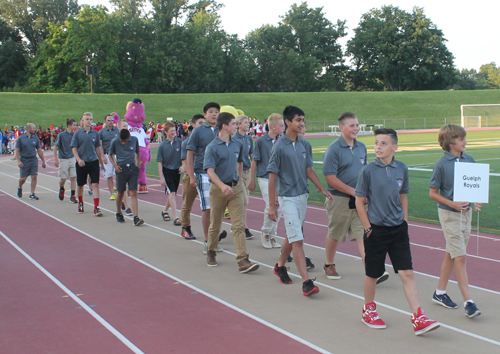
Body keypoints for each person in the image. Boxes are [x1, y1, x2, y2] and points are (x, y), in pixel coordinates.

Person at [355, 128, 440, 335]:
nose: (378, 147)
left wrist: (405, 221)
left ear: (394, 146)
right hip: (376, 230)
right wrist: (368, 228)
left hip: (398, 230)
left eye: (383, 143)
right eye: (376, 143)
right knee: (373, 274)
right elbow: (359, 201)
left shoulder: (401, 168)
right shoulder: (367, 171)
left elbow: (403, 195)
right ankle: (368, 310)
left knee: (407, 273)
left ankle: (418, 317)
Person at [268, 106, 333, 296]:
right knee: (298, 238)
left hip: (302, 195)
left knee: (292, 233)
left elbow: (309, 170)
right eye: (298, 120)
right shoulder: (279, 147)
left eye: (303, 120)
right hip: (287, 197)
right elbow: (272, 176)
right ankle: (306, 282)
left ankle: (280, 266)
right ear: (288, 122)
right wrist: (272, 205)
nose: (302, 123)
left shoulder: (305, 145)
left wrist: (321, 188)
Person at [322, 112, 389, 284]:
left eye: (357, 125)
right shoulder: (333, 150)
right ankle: (329, 264)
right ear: (341, 128)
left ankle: (373, 269)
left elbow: (364, 171)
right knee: (335, 234)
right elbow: (330, 178)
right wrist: (353, 191)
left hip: (359, 201)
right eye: (352, 125)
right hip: (339, 200)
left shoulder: (361, 147)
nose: (356, 129)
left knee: (364, 235)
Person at [429, 124, 482, 318]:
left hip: (466, 215)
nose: (465, 141)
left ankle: (439, 293)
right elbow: (433, 193)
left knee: (452, 254)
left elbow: (474, 187)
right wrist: (452, 204)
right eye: (462, 139)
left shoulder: (470, 160)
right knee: (460, 256)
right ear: (451, 143)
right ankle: (469, 302)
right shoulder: (441, 165)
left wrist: (476, 201)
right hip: (449, 215)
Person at [204, 112, 259, 273]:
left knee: (239, 225)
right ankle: (211, 251)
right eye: (234, 124)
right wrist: (221, 186)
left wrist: (240, 181)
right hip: (218, 189)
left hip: (235, 188)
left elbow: (240, 162)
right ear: (225, 126)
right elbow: (209, 170)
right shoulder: (212, 147)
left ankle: (243, 259)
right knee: (215, 224)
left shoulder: (237, 143)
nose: (236, 126)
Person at [186, 102, 225, 254]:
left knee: (218, 209)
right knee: (207, 208)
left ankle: (214, 239)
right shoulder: (198, 132)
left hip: (220, 174)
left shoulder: (222, 129)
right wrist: (191, 176)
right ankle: (207, 241)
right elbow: (190, 153)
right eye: (211, 112)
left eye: (216, 111)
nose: (214, 114)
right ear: (205, 114)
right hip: (202, 173)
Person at [249, 113, 284, 249]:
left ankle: (272, 234)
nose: (283, 128)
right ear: (273, 127)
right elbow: (255, 161)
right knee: (271, 205)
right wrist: (252, 179)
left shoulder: (282, 140)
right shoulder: (261, 141)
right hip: (265, 177)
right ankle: (265, 232)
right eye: (281, 126)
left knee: (279, 206)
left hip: (279, 179)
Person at [109, 121, 144, 226]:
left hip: (132, 168)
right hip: (121, 169)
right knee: (120, 192)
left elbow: (138, 152)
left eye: (125, 141)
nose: (123, 143)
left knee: (133, 192)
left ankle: (136, 217)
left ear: (129, 137)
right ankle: (119, 213)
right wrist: (115, 165)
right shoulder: (115, 141)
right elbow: (110, 154)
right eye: (122, 141)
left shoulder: (134, 140)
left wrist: (137, 164)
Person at [71, 112, 105, 216]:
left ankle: (96, 207)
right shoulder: (77, 134)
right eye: (87, 119)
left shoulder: (95, 133)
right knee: (80, 185)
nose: (89, 121)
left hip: (93, 161)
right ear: (82, 120)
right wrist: (78, 159)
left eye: (90, 119)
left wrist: (101, 161)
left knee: (95, 184)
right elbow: (74, 148)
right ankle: (80, 203)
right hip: (82, 162)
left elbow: (98, 148)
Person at [180, 114, 205, 240]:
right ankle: (186, 227)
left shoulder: (208, 139)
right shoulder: (186, 142)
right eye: (200, 123)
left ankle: (212, 230)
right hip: (191, 176)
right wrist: (191, 176)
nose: (203, 125)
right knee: (187, 204)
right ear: (193, 124)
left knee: (210, 204)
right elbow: (185, 161)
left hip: (205, 175)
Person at [232, 115, 255, 240]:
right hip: (238, 171)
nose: (248, 124)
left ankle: (237, 224)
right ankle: (244, 227)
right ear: (239, 125)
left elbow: (252, 156)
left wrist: (253, 172)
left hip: (247, 170)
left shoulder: (248, 139)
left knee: (245, 200)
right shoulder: (234, 139)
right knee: (243, 200)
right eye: (245, 122)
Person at [158, 122, 183, 226]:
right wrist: (161, 177)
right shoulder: (162, 145)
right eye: (171, 130)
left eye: (174, 130)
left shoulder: (180, 142)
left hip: (177, 171)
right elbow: (159, 162)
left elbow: (185, 155)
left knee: (173, 193)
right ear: (166, 132)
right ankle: (176, 216)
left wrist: (184, 166)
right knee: (172, 193)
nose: (174, 132)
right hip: (167, 170)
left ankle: (164, 210)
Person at [15, 123, 46, 200]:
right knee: (23, 178)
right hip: (24, 160)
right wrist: (18, 161)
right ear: (29, 129)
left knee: (34, 176)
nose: (35, 130)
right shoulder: (21, 138)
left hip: (33, 159)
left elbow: (39, 150)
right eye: (33, 128)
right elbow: (17, 150)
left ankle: (32, 193)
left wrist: (43, 161)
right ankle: (20, 186)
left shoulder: (35, 138)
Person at [53, 119, 78, 203]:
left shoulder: (75, 135)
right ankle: (61, 188)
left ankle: (73, 195)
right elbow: (55, 146)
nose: (75, 126)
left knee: (73, 177)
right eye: (74, 125)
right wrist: (56, 158)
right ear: (69, 125)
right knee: (63, 178)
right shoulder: (61, 135)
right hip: (63, 158)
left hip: (72, 158)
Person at [99, 113, 120, 201]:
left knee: (118, 172)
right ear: (105, 122)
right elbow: (99, 145)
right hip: (107, 154)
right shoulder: (101, 132)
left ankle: (118, 188)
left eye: (112, 120)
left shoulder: (116, 130)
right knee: (109, 174)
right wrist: (102, 156)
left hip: (116, 154)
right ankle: (112, 192)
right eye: (109, 120)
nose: (111, 122)